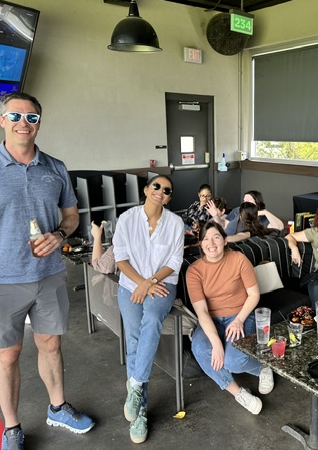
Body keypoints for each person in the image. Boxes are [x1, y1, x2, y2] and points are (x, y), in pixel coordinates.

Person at [0, 92, 94, 450]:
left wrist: (60, 235)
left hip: (48, 275)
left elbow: (72, 216)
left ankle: (58, 407)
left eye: (31, 118)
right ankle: (12, 427)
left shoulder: (56, 167)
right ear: (2, 121)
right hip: (2, 281)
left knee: (50, 344)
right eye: (15, 116)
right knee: (8, 354)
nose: (23, 124)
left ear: (39, 124)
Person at [112, 174, 184, 444]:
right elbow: (120, 258)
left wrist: (151, 282)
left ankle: (136, 386)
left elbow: (175, 260)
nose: (161, 192)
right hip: (130, 286)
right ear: (146, 189)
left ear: (169, 197)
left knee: (152, 319)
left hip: (163, 285)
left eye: (167, 190)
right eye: (156, 186)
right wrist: (141, 284)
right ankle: (140, 410)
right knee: (133, 341)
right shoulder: (127, 219)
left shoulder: (175, 223)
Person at [186, 221, 274, 414]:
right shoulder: (194, 271)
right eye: (206, 239)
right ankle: (239, 393)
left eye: (216, 237)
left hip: (240, 314)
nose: (211, 243)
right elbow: (201, 311)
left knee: (233, 361)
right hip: (211, 320)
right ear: (200, 244)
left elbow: (253, 295)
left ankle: (263, 367)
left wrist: (239, 320)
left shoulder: (238, 259)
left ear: (225, 240)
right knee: (200, 348)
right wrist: (216, 343)